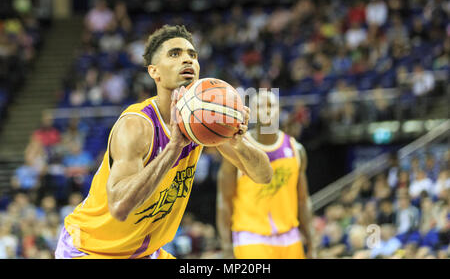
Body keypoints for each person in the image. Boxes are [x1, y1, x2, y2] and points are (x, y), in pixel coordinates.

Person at [55, 25, 273, 259]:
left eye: (192, 54)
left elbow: (263, 176)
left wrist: (240, 142)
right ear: (154, 72)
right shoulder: (137, 125)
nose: (187, 60)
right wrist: (173, 149)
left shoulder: (203, 119)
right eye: (175, 54)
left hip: (144, 252)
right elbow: (119, 207)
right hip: (91, 249)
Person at [216, 90, 316, 259]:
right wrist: (226, 246)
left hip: (290, 237)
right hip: (250, 237)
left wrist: (312, 243)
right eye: (260, 106)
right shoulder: (236, 148)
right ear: (252, 112)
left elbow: (303, 200)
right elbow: (224, 200)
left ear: (280, 110)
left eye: (271, 105)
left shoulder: (296, 149)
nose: (266, 110)